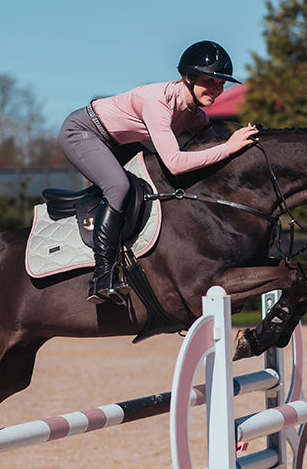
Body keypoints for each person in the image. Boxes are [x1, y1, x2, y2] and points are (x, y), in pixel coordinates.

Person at [59, 40, 258, 303]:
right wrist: (229, 148)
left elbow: (214, 153)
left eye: (221, 84)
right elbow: (176, 161)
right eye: (210, 81)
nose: (217, 90)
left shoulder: (195, 114)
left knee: (158, 181)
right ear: (187, 77)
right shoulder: (159, 101)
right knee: (119, 186)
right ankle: (103, 276)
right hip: (82, 132)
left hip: (117, 143)